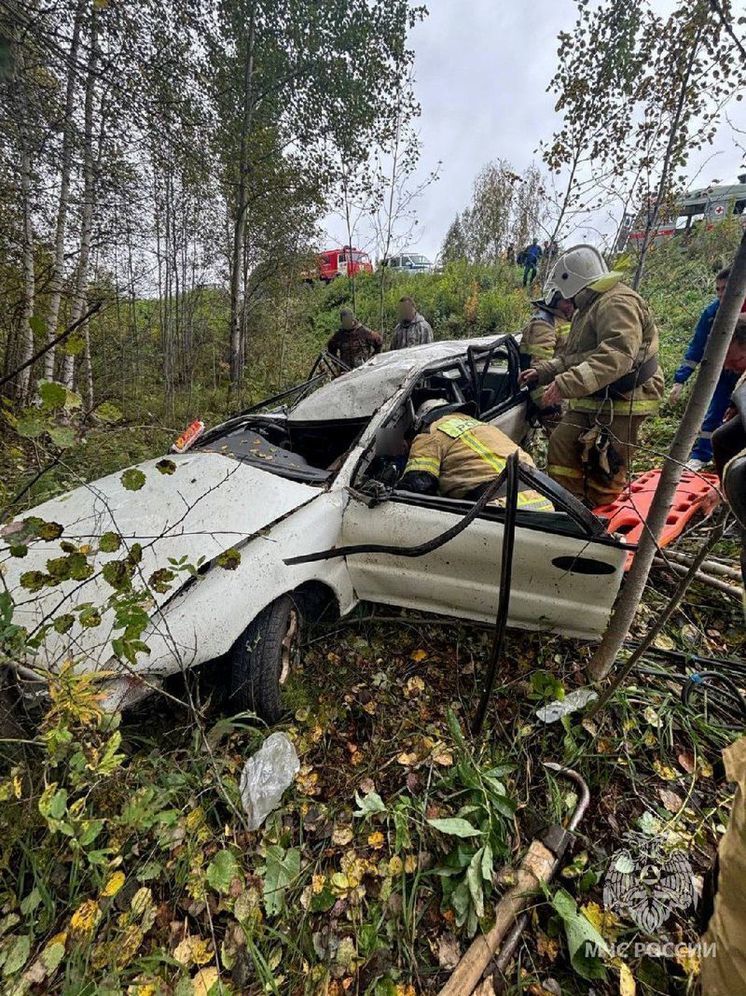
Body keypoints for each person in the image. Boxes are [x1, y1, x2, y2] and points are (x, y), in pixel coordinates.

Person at [519, 244, 664, 508]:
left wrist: (566, 384)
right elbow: (581, 355)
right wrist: (546, 371)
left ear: (574, 283)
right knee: (563, 444)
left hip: (625, 399)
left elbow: (618, 355)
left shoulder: (616, 302)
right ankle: (568, 505)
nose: (563, 302)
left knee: (606, 464)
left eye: (563, 294)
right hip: (599, 395)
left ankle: (600, 515)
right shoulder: (592, 306)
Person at [398, 400, 553, 511]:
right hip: (542, 502)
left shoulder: (430, 433)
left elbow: (418, 485)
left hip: (500, 509)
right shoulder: (483, 426)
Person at [669, 267, 746, 471]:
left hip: (741, 369)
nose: (721, 294)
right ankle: (702, 455)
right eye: (717, 289)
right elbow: (697, 347)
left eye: (725, 288)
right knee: (715, 412)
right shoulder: (712, 313)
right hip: (722, 373)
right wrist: (680, 379)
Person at [519, 289, 574, 427]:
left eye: (572, 301)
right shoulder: (543, 324)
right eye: (566, 301)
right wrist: (549, 407)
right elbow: (537, 368)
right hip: (553, 400)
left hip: (564, 392)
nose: (571, 306)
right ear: (553, 300)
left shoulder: (563, 319)